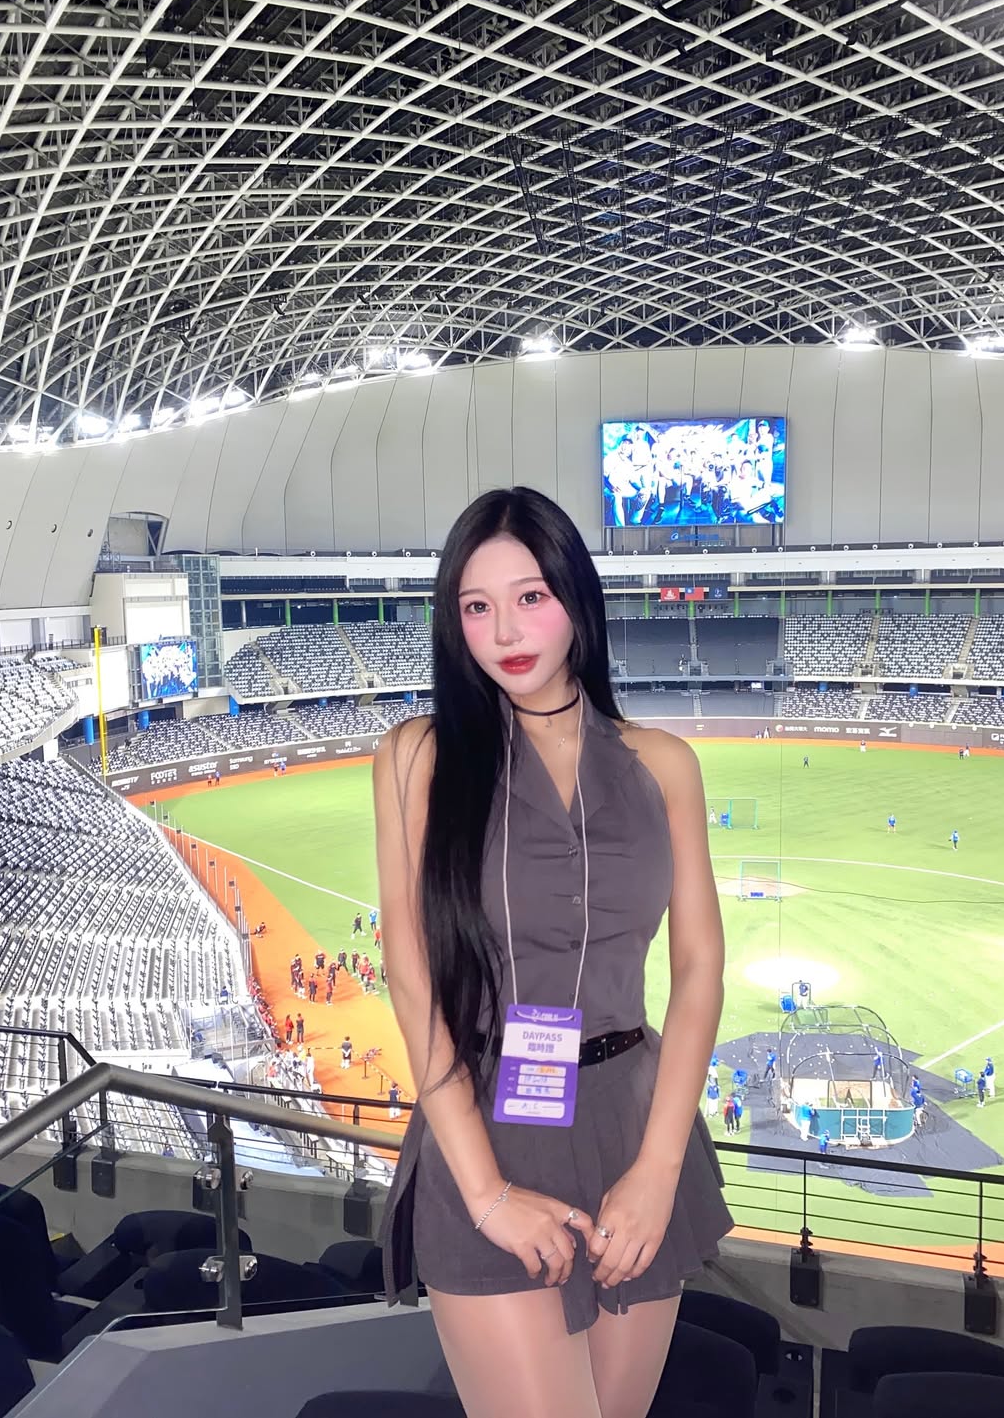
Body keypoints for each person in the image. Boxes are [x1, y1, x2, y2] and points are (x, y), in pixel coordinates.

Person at [374, 487, 731, 1415]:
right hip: (484, 1123)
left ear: (576, 596)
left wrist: (657, 1171)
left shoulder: (664, 765)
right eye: (476, 605)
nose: (505, 630)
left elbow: (698, 968)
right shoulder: (418, 756)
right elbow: (411, 974)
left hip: (635, 1126)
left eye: (530, 596)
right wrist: (487, 1193)